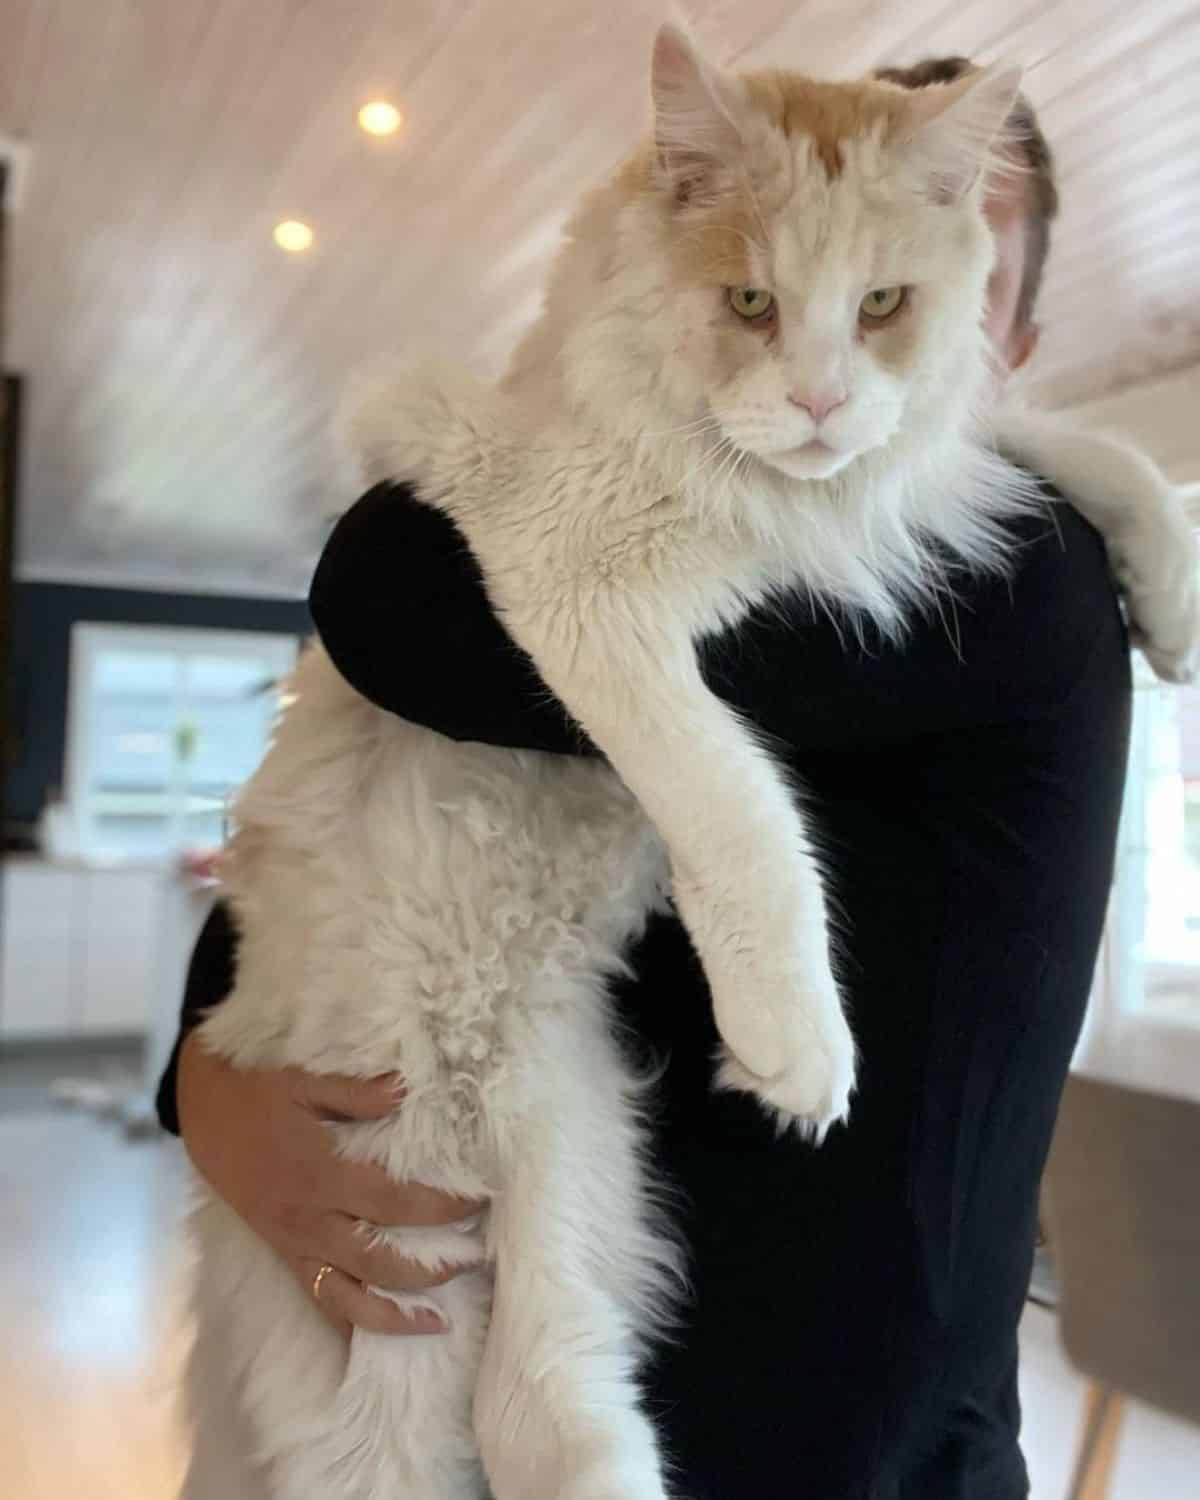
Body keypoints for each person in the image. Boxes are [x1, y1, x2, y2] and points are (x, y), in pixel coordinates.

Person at [159, 58, 1131, 1499]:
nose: (830, 390)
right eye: (775, 288)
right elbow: (370, 797)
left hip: (840, 1455)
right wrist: (200, 1075)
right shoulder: (719, 505)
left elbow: (391, 597)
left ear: (1013, 331)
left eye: (904, 295)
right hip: (536, 1358)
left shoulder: (1015, 582)